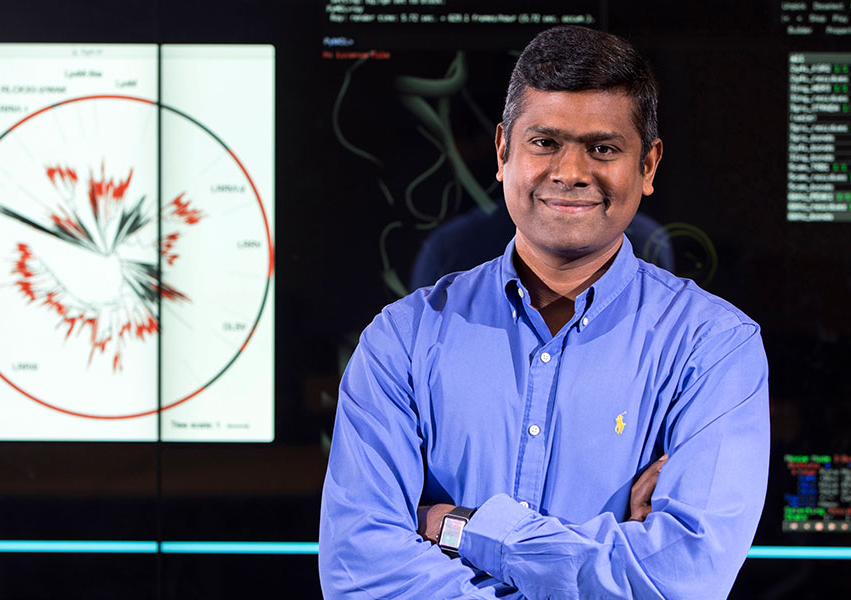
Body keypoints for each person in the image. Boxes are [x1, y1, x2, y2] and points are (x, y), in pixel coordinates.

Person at [320, 25, 769, 599]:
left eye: (603, 148)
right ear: (505, 151)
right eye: (545, 143)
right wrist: (605, 565)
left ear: (649, 166)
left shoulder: (714, 349)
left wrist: (462, 526)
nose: (571, 172)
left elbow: (683, 579)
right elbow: (361, 575)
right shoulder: (401, 341)